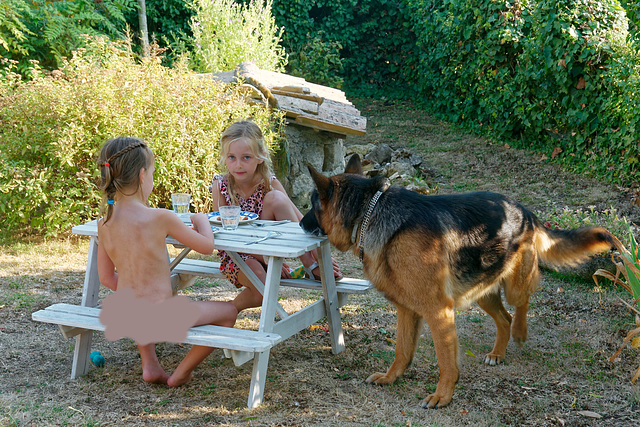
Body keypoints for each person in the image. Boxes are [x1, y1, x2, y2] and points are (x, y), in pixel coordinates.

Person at [96, 136, 238, 387]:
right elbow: (206, 247)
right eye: (151, 173)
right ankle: (180, 373)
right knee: (229, 312)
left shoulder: (104, 222)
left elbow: (106, 278)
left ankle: (150, 365)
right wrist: (202, 219)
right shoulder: (161, 217)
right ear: (142, 176)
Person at [211, 120, 343, 313]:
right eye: (232, 157)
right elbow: (222, 234)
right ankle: (224, 312)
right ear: (224, 158)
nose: (238, 164)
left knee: (276, 198)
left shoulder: (268, 182)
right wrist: (265, 258)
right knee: (263, 292)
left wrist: (319, 257)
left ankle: (309, 264)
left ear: (260, 157)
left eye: (246, 157)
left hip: (268, 246)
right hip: (237, 254)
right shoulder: (221, 186)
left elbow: (298, 221)